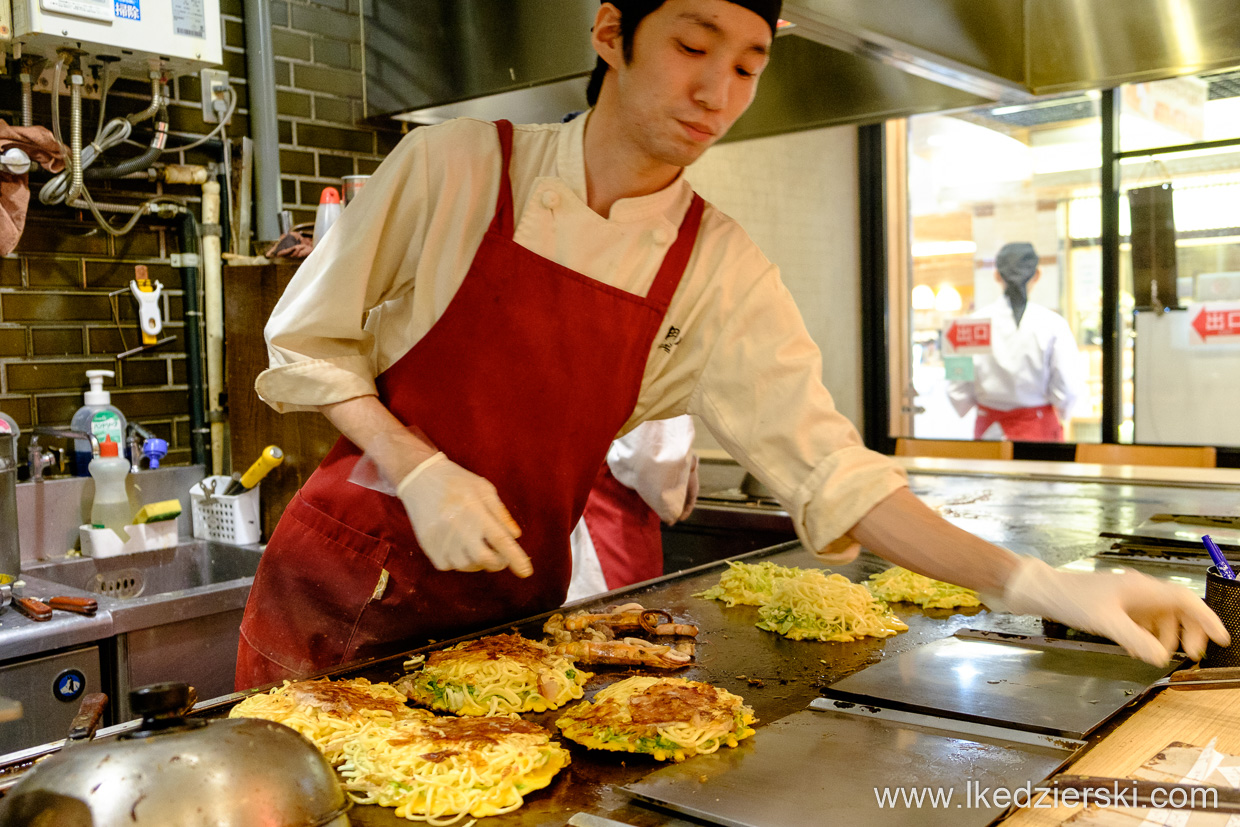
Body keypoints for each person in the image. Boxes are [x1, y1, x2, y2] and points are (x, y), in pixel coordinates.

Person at [236, 0, 1225, 689]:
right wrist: (417, 468)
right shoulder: (452, 166)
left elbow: (837, 476)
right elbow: (314, 348)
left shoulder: (715, 263)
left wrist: (1052, 583)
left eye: (747, 65)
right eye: (694, 46)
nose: (718, 90)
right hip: (334, 591)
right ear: (612, 34)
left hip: (507, 617)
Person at [948, 242, 1084, 442]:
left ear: (996, 275)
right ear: (1037, 275)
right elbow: (1068, 389)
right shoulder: (1053, 324)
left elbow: (956, 391)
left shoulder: (967, 326)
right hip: (1039, 434)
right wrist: (1063, 412)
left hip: (988, 433)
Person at [567, 416, 699, 602]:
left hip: (564, 511)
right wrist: (680, 483)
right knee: (622, 618)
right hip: (612, 519)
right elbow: (655, 454)